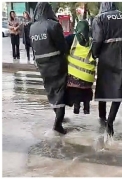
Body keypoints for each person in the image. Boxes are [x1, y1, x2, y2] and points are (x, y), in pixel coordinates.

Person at [92, 2, 122, 137]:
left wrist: (94, 53)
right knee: (119, 88)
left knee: (104, 86)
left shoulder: (99, 18)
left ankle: (102, 119)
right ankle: (110, 121)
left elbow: (97, 39)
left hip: (108, 55)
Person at [30, 2, 71, 134]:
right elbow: (62, 46)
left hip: (42, 64)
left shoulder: (32, 27)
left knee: (51, 90)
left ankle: (59, 116)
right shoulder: (53, 25)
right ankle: (58, 123)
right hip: (56, 63)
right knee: (60, 91)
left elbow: (33, 47)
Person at [65, 20, 96, 115]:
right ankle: (86, 108)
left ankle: (76, 107)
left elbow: (63, 51)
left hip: (74, 76)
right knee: (86, 90)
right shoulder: (93, 41)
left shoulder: (71, 38)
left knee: (74, 90)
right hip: (89, 77)